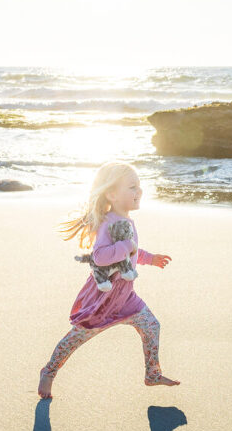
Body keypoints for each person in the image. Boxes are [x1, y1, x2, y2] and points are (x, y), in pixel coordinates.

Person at [38, 161, 180, 398]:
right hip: (104, 299)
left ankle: (152, 374)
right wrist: (127, 246)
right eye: (132, 187)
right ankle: (49, 371)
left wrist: (149, 258)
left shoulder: (125, 221)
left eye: (139, 186)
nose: (139, 192)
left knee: (151, 326)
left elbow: (131, 251)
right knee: (78, 337)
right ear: (112, 194)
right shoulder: (107, 224)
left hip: (126, 297)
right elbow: (101, 256)